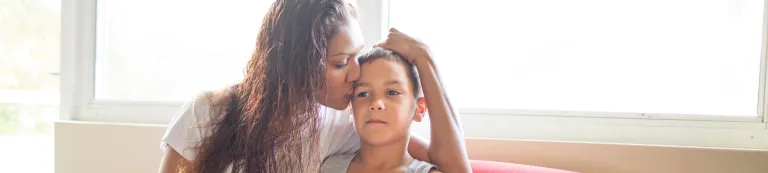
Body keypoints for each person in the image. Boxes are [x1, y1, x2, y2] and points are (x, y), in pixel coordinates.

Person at [158, 0, 444, 172]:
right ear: (296, 67)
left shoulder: (343, 125)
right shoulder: (208, 112)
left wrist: (427, 61)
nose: (356, 73)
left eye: (356, 55)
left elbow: (447, 162)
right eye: (341, 62)